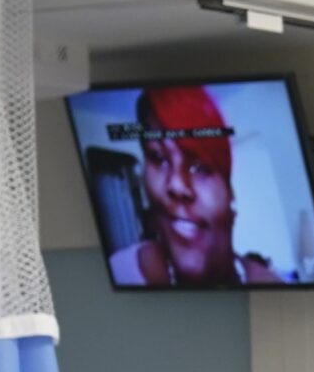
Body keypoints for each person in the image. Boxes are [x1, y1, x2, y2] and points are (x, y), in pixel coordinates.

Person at [111, 86, 286, 290]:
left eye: (201, 167)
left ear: (230, 193)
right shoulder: (120, 272)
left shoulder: (276, 294)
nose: (176, 185)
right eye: (159, 158)